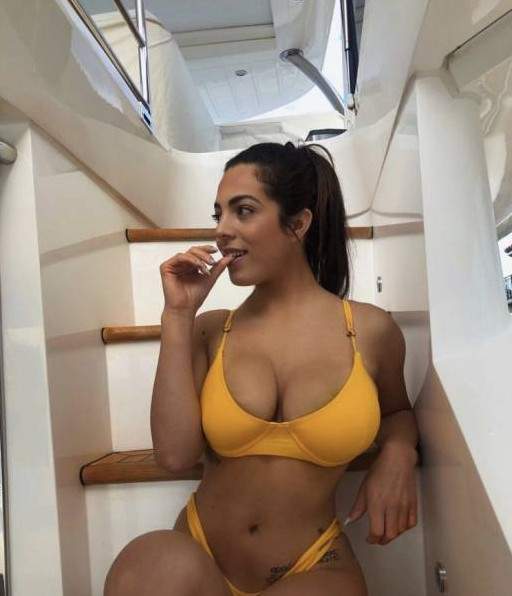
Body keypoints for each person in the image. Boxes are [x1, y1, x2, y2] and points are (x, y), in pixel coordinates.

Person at [104, 142, 420, 596]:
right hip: (201, 556)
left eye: (244, 211)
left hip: (312, 564)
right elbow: (174, 456)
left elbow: (397, 412)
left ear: (298, 224)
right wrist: (177, 316)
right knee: (144, 571)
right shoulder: (211, 330)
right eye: (218, 215)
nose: (222, 231)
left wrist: (398, 453)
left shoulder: (370, 331)